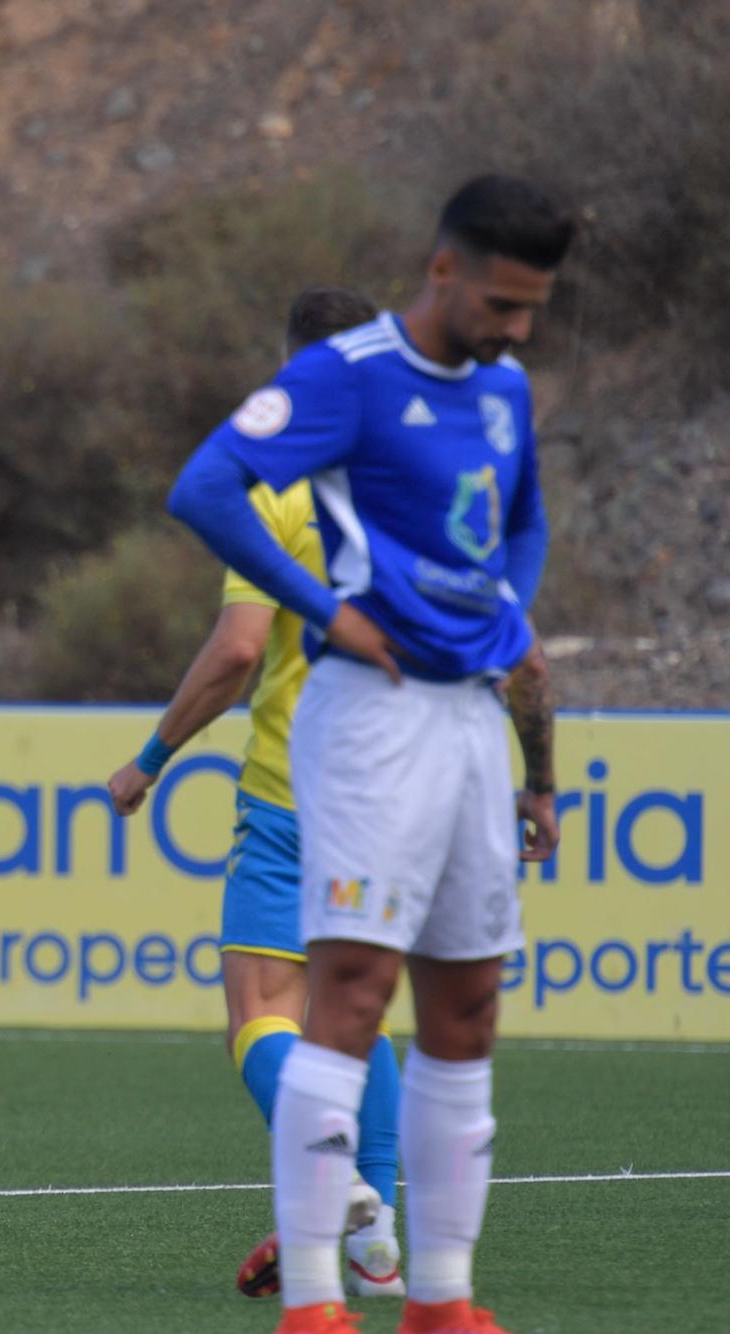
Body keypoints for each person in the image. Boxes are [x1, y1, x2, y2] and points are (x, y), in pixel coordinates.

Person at [167, 175, 570, 1334]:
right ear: (441, 268)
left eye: (532, 307)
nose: (514, 328)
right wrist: (324, 605)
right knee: (346, 991)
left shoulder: (502, 386)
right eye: (500, 300)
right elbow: (204, 488)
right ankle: (312, 1302)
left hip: (466, 716)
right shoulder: (343, 375)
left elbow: (526, 514)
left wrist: (507, 608)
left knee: (466, 1007)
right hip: (370, 711)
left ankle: (439, 1298)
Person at [108, 286, 404, 1295]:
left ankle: (342, 1185)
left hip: (293, 787)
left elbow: (238, 648)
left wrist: (149, 757)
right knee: (355, 1007)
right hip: (401, 788)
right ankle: (377, 1222)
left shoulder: (281, 485)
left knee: (260, 1011)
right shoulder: (420, 484)